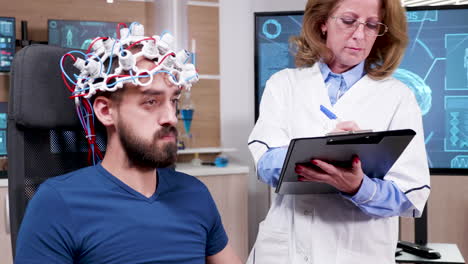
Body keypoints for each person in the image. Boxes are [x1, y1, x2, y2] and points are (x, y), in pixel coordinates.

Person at [14, 23, 242, 264]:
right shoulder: (57, 204)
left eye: (173, 101)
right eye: (151, 102)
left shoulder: (195, 193)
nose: (171, 118)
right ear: (105, 111)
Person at [247, 0, 430, 263]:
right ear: (322, 22)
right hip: (284, 250)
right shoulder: (284, 84)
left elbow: (411, 195)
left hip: (359, 253)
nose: (359, 34)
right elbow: (265, 164)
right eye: (348, 21)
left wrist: (359, 187)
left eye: (371, 25)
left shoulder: (398, 98)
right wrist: (321, 149)